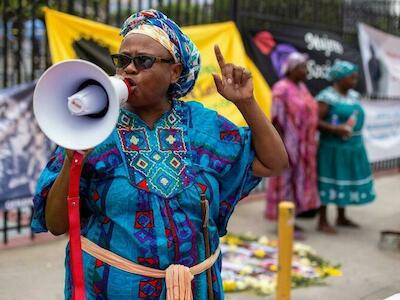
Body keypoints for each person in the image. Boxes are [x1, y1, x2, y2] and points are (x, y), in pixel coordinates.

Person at [31, 9, 288, 300]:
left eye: (143, 61)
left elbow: (275, 163)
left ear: (174, 71)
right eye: (123, 60)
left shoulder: (204, 126)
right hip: (108, 290)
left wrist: (247, 104)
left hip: (193, 288)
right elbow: (56, 224)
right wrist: (71, 159)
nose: (129, 69)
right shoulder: (91, 127)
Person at [316, 60, 376, 234]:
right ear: (339, 78)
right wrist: (335, 129)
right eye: (351, 77)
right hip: (332, 148)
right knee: (329, 180)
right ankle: (322, 220)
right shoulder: (326, 97)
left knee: (344, 179)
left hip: (352, 147)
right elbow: (315, 121)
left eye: (355, 77)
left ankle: (341, 216)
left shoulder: (354, 96)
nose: (354, 80)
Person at [265, 52, 320, 239]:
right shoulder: (281, 89)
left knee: (298, 184)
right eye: (302, 67)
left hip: (304, 147)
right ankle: (284, 224)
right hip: (288, 146)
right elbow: (276, 121)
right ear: (292, 68)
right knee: (285, 184)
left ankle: (292, 220)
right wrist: (280, 149)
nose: (305, 71)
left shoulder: (302, 87)